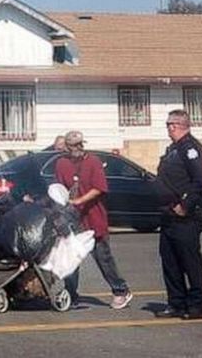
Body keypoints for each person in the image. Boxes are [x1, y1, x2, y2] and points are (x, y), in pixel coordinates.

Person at [53, 130, 133, 310]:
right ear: (66, 147)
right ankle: (71, 295)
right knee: (71, 259)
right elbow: (60, 188)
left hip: (94, 218)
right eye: (74, 145)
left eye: (81, 144)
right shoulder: (61, 163)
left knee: (103, 258)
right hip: (72, 220)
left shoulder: (93, 161)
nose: (78, 148)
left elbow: (99, 188)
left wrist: (79, 201)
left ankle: (121, 291)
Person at [155, 110, 202, 320]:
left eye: (170, 124)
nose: (168, 127)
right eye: (167, 124)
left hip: (185, 216)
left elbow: (199, 182)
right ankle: (176, 303)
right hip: (168, 214)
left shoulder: (191, 148)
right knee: (170, 261)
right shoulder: (173, 149)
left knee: (189, 262)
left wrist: (185, 205)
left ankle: (196, 306)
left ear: (179, 125)